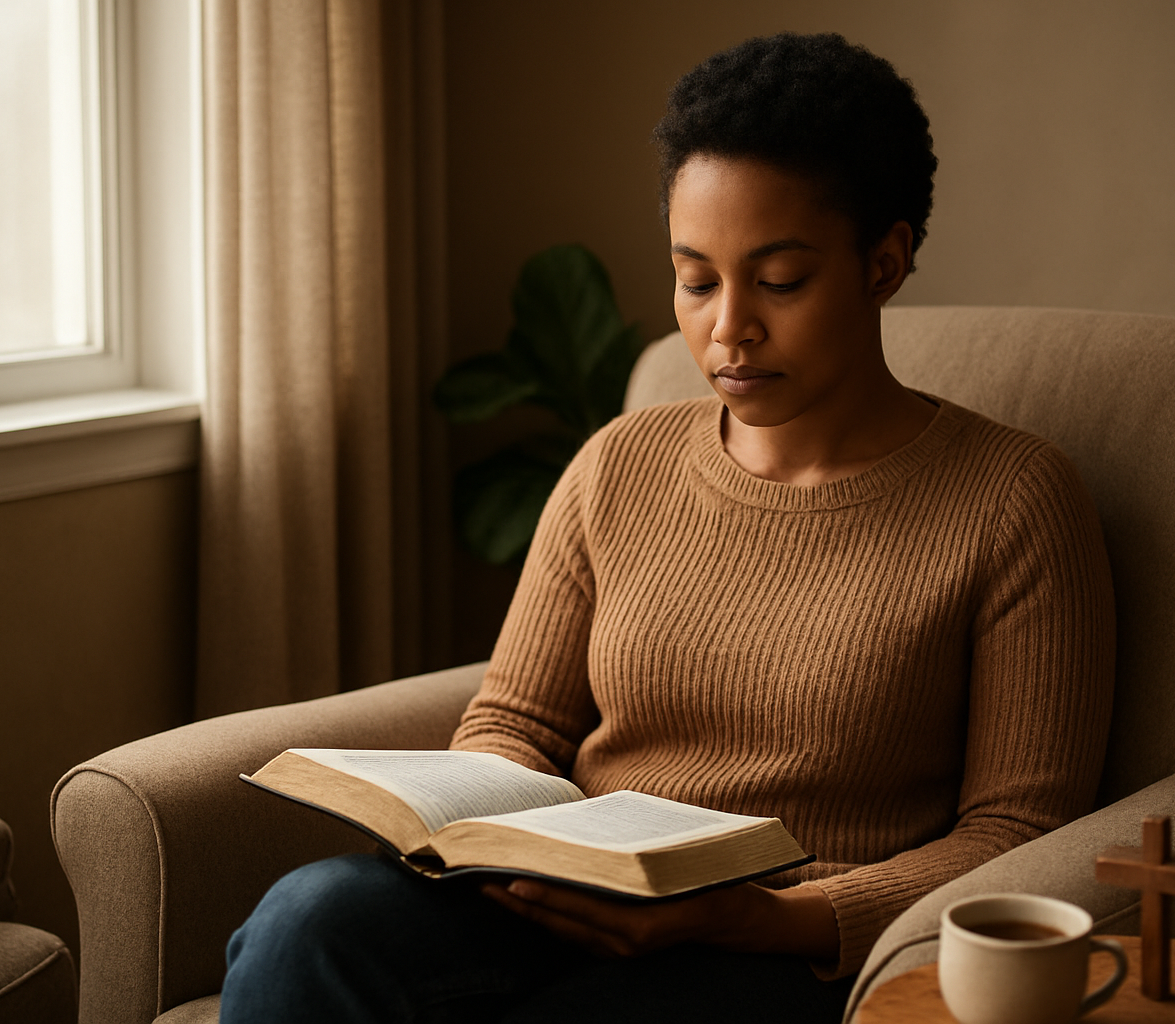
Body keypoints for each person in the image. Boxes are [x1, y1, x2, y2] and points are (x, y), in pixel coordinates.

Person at [220, 31, 1114, 1024]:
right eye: (696, 279)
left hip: (772, 949)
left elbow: (1020, 830)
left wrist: (764, 920)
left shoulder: (1015, 498)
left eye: (778, 281)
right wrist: (510, 837)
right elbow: (516, 720)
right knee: (307, 917)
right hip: (562, 900)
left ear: (884, 261)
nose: (729, 328)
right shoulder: (620, 461)